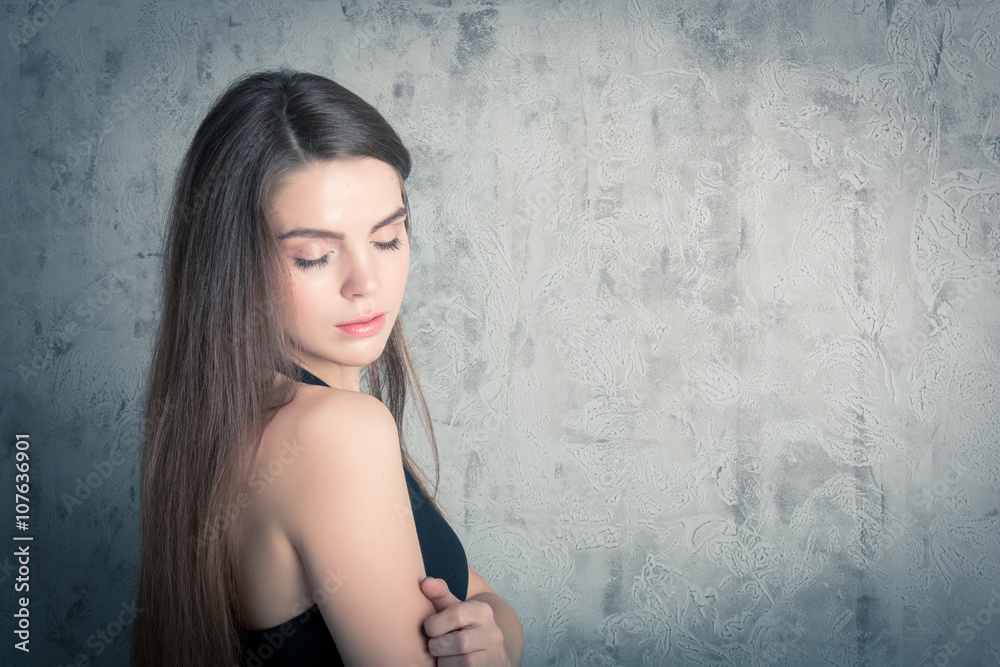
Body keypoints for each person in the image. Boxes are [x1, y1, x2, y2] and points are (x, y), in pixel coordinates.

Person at [130, 70, 524, 666]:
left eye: (388, 239)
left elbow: (487, 602)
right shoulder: (336, 432)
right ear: (232, 267)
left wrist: (493, 632)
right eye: (314, 256)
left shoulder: (238, 421)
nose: (366, 283)